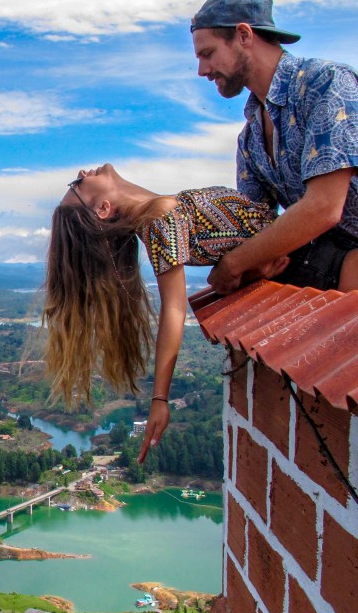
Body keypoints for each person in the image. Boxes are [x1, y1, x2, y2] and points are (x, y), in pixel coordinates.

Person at [42, 164, 293, 462]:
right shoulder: (158, 221)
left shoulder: (160, 213)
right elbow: (174, 309)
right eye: (77, 185)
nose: (83, 173)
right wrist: (160, 398)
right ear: (103, 208)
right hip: (308, 256)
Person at [190, 0, 358, 293]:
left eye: (208, 53)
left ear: (243, 35)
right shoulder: (250, 138)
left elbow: (324, 207)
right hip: (328, 266)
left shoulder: (326, 84)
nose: (202, 70)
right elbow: (252, 226)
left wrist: (234, 264)